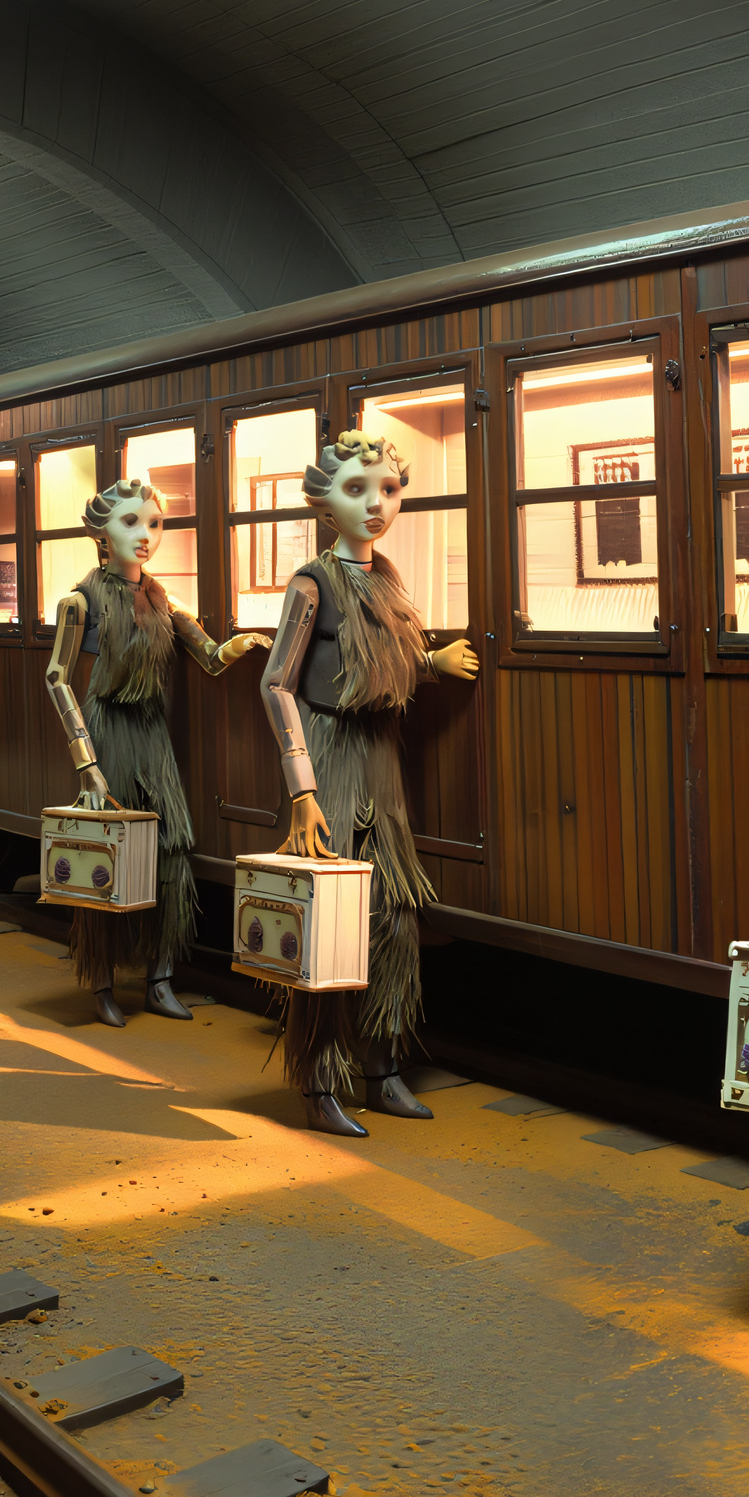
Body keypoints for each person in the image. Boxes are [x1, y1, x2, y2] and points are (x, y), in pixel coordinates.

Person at [261, 432, 479, 1136]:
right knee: (328, 919)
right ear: (324, 503)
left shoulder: (385, 575)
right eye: (356, 489)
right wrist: (302, 792)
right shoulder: (311, 583)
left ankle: (382, 1069)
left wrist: (430, 664)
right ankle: (320, 1083)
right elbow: (276, 684)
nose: (376, 503)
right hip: (326, 756)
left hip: (379, 759)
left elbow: (380, 664)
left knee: (393, 917)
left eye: (387, 489)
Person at [48, 476, 271, 1025]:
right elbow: (57, 679)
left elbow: (210, 657)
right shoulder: (79, 601)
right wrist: (86, 764)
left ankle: (159, 979)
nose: (145, 534)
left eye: (154, 523)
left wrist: (238, 645)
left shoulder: (163, 600)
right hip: (106, 733)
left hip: (152, 734)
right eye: (130, 522)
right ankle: (102, 982)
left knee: (171, 852)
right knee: (105, 855)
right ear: (101, 533)